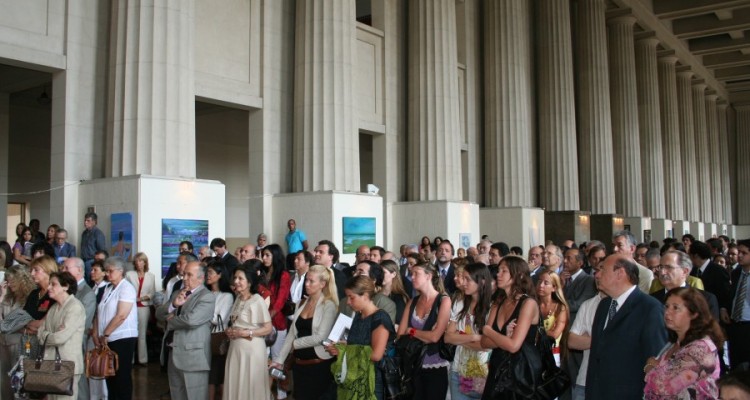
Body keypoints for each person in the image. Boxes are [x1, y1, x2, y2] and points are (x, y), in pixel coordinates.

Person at [585, 255, 667, 399]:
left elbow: (655, 361)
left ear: (620, 273)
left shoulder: (650, 309)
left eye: (602, 270)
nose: (596, 274)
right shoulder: (604, 305)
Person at [272, 265, 339, 400]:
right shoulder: (301, 302)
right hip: (299, 365)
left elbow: (321, 337)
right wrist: (279, 360)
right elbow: (291, 333)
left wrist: (295, 344)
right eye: (306, 280)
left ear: (322, 284)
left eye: (311, 281)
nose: (307, 284)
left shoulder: (329, 305)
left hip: (319, 366)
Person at [644, 287, 723, 399]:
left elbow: (661, 386)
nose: (667, 312)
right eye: (666, 306)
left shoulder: (700, 349)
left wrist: (650, 366)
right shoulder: (674, 343)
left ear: (694, 314)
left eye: (675, 308)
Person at [480, 256, 540, 400]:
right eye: (498, 270)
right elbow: (484, 343)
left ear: (518, 275)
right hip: (497, 371)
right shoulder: (498, 302)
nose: (498, 274)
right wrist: (504, 338)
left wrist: (489, 331)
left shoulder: (528, 304)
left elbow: (513, 346)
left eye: (504, 271)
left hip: (519, 376)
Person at [326, 276, 396, 400]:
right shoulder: (359, 316)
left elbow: (376, 355)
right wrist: (341, 346)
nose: (348, 302)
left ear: (365, 295)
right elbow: (357, 344)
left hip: (372, 382)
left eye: (352, 297)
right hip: (353, 376)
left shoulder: (380, 318)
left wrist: (344, 351)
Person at [156, 261, 216, 400]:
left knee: (195, 396)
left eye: (189, 275)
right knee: (177, 395)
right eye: (184, 274)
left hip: (193, 357)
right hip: (174, 354)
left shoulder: (206, 296)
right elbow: (159, 314)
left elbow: (191, 321)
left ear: (201, 278)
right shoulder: (178, 292)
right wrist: (173, 305)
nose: (184, 278)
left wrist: (169, 321)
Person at [397, 261, 452, 399]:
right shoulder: (412, 302)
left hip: (436, 366)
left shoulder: (443, 300)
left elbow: (434, 337)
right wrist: (425, 334)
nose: (412, 277)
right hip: (412, 365)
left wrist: (412, 330)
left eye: (416, 274)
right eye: (411, 274)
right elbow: (400, 334)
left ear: (429, 276)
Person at [223, 264, 273, 400]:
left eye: (240, 278)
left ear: (249, 282)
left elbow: (268, 328)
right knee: (236, 382)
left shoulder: (257, 300)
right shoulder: (238, 299)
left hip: (252, 349)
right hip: (236, 348)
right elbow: (236, 322)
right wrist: (230, 330)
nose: (236, 281)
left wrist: (246, 333)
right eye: (235, 278)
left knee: (250, 385)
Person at [92, 257, 138, 400]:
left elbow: (121, 315)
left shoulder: (127, 287)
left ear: (121, 271)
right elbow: (100, 311)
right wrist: (96, 332)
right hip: (107, 339)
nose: (107, 274)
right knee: (109, 376)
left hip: (122, 338)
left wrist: (105, 334)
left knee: (121, 376)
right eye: (106, 271)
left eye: (110, 271)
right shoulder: (108, 287)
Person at [445, 263, 493, 400]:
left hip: (482, 372)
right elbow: (448, 337)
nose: (463, 283)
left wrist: (459, 339)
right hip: (458, 371)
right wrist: (475, 337)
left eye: (467, 279)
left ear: (482, 281)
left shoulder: (491, 307)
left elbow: (486, 345)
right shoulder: (460, 303)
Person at [36, 271, 86, 400]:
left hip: (67, 366)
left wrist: (46, 334)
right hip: (51, 365)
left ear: (66, 286)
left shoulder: (75, 307)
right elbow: (39, 333)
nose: (48, 288)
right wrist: (50, 334)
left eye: (54, 284)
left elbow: (60, 338)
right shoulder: (53, 308)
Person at [261, 244, 292, 399]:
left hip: (277, 322)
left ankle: (281, 392)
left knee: (277, 358)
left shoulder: (283, 275)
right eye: (263, 255)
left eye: (267, 255)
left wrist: (267, 317)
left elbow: (280, 301)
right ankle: (265, 392)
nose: (264, 258)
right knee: (263, 359)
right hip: (262, 322)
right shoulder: (263, 273)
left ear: (275, 256)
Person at [0, 265, 35, 400]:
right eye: (7, 280)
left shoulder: (28, 299)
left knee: (19, 382)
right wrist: (1, 298)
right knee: (4, 382)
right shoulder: (7, 298)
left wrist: (10, 326)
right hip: (3, 343)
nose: (9, 284)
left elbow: (7, 325)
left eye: (12, 280)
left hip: (19, 344)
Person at [205, 261, 234, 400]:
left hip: (217, 337)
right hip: (204, 337)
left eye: (210, 272)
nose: (207, 275)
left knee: (218, 376)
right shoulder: (205, 293)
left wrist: (202, 316)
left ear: (220, 275)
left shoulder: (226, 296)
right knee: (208, 377)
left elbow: (219, 318)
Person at [126, 252, 156, 365]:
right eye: (137, 261)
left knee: (142, 334)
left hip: (144, 306)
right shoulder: (129, 274)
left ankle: (143, 359)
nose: (139, 263)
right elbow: (126, 290)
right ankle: (131, 360)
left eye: (141, 261)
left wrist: (140, 298)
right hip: (131, 307)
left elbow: (152, 293)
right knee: (131, 333)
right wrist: (134, 299)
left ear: (145, 262)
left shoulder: (151, 276)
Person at [24, 256, 58, 340]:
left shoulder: (54, 295)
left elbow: (44, 324)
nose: (32, 274)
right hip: (28, 338)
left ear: (48, 271)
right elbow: (22, 318)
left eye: (36, 270)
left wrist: (28, 325)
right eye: (31, 270)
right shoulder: (34, 293)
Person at [536, 270, 569, 346]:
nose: (541, 285)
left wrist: (534, 331)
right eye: (539, 281)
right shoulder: (532, 305)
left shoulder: (560, 308)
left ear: (554, 288)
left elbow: (555, 334)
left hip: (552, 352)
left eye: (546, 283)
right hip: (532, 351)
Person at [380, 259, 410, 328]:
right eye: (379, 273)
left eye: (383, 272)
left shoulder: (399, 297)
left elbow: (398, 324)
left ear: (393, 274)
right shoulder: (375, 294)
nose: (380, 275)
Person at [81, 212, 107, 283]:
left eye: (88, 221)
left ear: (94, 222)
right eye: (85, 220)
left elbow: (102, 251)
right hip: (84, 261)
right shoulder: (84, 233)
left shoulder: (98, 234)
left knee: (91, 282)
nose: (85, 222)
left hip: (92, 261)